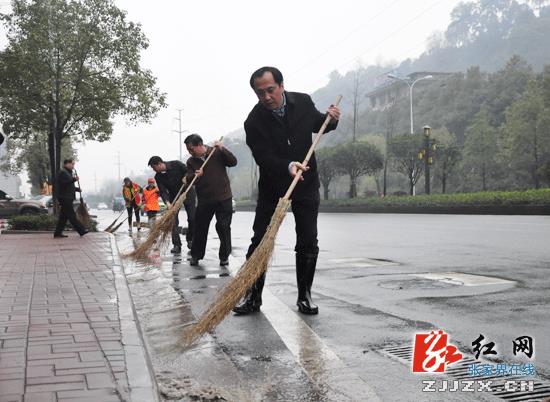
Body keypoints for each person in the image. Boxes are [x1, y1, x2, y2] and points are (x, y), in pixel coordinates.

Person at [233, 66, 341, 316]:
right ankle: (253, 296)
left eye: (270, 90)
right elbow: (263, 157)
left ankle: (305, 296)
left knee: (307, 239)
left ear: (281, 86)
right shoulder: (253, 121)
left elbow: (319, 124)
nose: (266, 96)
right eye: (260, 93)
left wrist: (332, 119)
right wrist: (287, 166)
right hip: (274, 184)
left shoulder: (302, 101)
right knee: (261, 238)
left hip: (307, 181)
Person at [184, 134, 237, 267]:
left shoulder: (216, 152)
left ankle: (224, 256)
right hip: (205, 200)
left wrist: (222, 148)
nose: (190, 152)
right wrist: (195, 176)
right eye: (188, 150)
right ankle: (196, 255)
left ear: (199, 145)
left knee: (223, 227)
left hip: (223, 197)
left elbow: (233, 162)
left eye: (191, 149)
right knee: (200, 228)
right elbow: (188, 178)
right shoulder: (191, 161)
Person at [147, 156, 197, 254]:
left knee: (192, 218)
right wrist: (167, 202)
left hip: (187, 193)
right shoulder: (158, 176)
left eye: (154, 167)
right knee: (173, 220)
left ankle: (191, 240)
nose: (154, 170)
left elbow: (189, 171)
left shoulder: (176, 164)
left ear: (159, 164)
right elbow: (162, 191)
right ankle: (177, 244)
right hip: (174, 197)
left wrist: (186, 177)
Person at [53, 158, 88, 238]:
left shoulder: (68, 173)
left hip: (67, 197)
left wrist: (76, 189)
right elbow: (65, 183)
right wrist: (74, 179)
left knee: (63, 217)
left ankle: (57, 233)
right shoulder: (63, 172)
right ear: (67, 164)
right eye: (72, 164)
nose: (73, 166)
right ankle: (81, 230)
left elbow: (68, 185)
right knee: (72, 215)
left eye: (73, 164)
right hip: (65, 198)